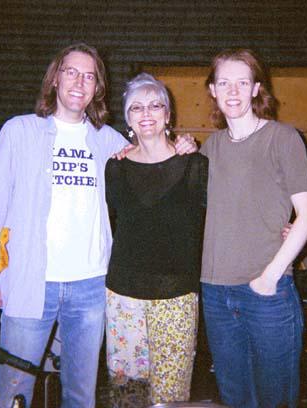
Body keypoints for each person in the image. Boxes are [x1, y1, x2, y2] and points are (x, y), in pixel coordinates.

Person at [0, 44, 196, 408]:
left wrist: (182, 144)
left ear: (97, 87)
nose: (80, 81)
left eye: (89, 75)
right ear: (55, 78)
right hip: (30, 283)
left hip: (91, 288)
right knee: (14, 390)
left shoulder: (108, 141)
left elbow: (152, 155)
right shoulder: (19, 132)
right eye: (72, 72)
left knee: (81, 395)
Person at [200, 48, 307, 408]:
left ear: (255, 89)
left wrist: (270, 275)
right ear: (212, 91)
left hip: (266, 293)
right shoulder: (208, 148)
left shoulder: (283, 138)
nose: (232, 91)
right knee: (235, 399)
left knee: (275, 400)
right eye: (224, 83)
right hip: (216, 294)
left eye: (242, 82)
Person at [104, 73, 208, 407]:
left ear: (168, 114)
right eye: (136, 107)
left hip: (176, 296)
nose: (146, 112)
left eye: (155, 105)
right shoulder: (115, 167)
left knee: (171, 395)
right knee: (127, 395)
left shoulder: (195, 164)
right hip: (123, 295)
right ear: (128, 119)